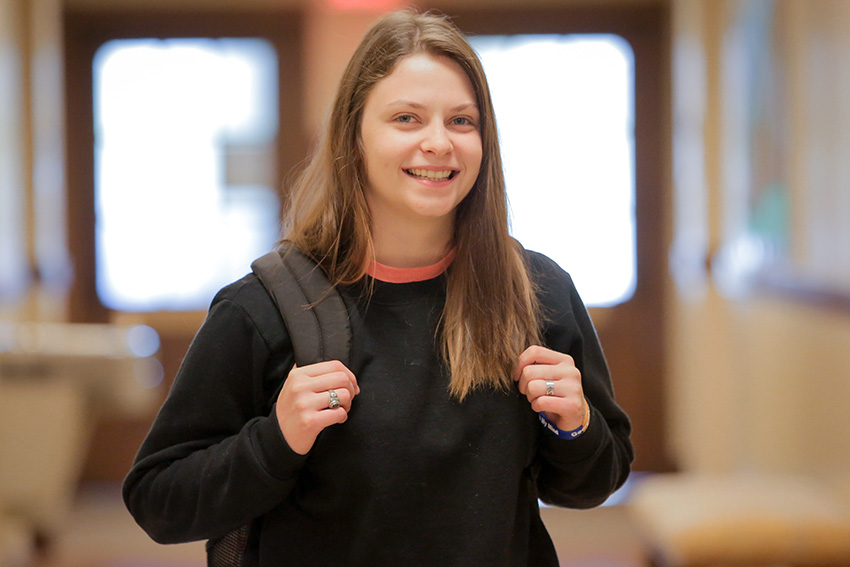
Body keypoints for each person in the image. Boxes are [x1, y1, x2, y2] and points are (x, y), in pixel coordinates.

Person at [123, 9, 633, 567]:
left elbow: (592, 482)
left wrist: (574, 426)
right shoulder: (263, 307)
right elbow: (158, 500)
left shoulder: (538, 292)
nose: (439, 143)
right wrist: (276, 440)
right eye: (407, 118)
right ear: (354, 136)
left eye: (462, 121)